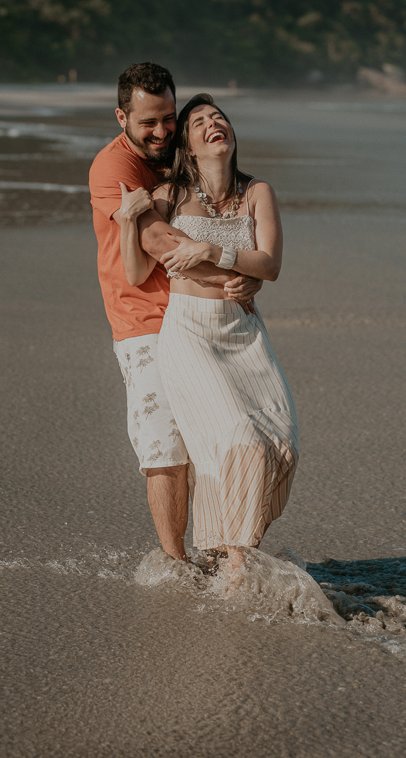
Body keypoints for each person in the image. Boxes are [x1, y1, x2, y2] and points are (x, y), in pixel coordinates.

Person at [89, 64, 262, 562]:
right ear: (122, 116)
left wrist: (243, 273)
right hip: (143, 320)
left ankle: (222, 550)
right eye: (148, 122)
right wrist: (234, 276)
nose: (161, 131)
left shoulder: (181, 157)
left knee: (220, 434)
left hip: (202, 317)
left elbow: (227, 222)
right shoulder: (113, 169)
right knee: (166, 448)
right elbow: (158, 243)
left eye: (168, 117)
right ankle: (175, 560)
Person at [119, 93, 298, 563]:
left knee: (280, 444)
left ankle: (227, 547)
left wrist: (211, 252)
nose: (213, 124)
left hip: (245, 332)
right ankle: (238, 567)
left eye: (219, 118)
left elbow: (271, 265)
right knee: (241, 441)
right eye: (199, 122)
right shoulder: (169, 195)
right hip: (192, 333)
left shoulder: (257, 192)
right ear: (188, 145)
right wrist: (128, 220)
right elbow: (139, 268)